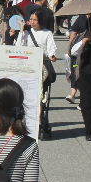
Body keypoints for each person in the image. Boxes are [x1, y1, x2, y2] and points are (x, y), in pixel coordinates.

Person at [18, 7, 59, 140]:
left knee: (41, 97)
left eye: (35, 20)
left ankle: (40, 122)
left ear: (41, 21)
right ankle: (27, 124)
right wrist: (21, 32)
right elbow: (19, 47)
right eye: (31, 19)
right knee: (26, 97)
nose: (32, 22)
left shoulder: (47, 33)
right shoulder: (26, 33)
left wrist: (51, 54)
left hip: (42, 68)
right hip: (28, 67)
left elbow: (51, 47)